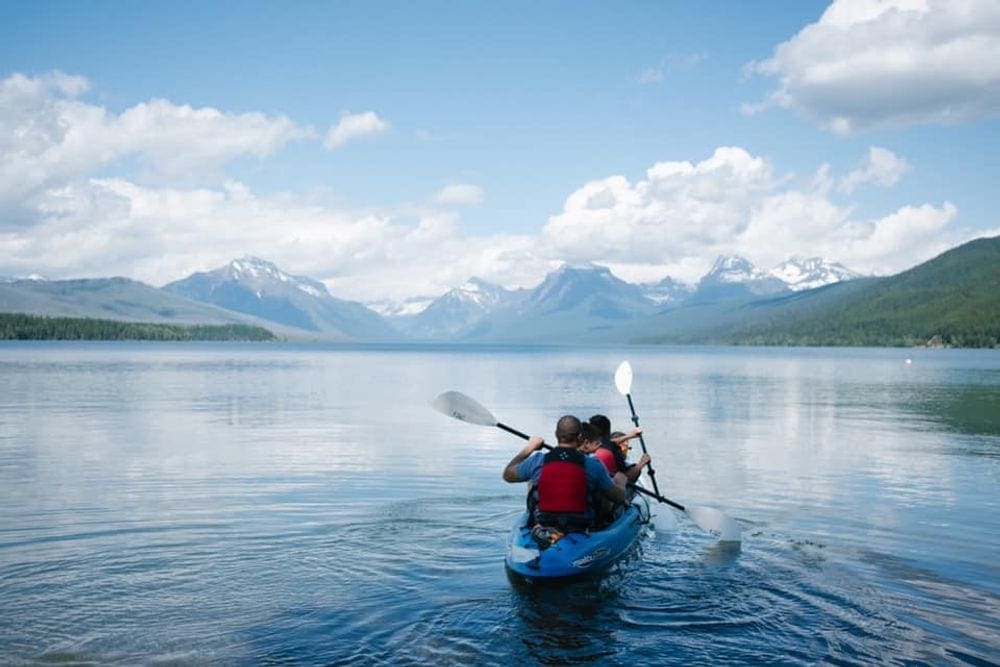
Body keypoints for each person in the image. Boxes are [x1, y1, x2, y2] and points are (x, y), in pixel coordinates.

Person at [502, 415, 626, 534]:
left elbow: (507, 475)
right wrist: (620, 481)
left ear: (556, 435)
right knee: (603, 491)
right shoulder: (593, 465)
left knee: (532, 482)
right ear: (580, 438)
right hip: (580, 526)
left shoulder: (537, 461)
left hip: (545, 523)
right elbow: (618, 497)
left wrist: (529, 448)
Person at [589, 414, 650, 484]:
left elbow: (606, 442)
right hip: (614, 489)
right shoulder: (612, 449)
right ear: (608, 431)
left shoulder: (586, 448)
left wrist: (629, 436)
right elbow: (626, 477)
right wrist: (641, 464)